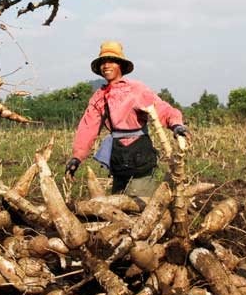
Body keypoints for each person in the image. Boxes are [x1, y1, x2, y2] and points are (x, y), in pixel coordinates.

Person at [65, 41, 188, 197]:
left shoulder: (136, 89)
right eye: (103, 62)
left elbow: (161, 108)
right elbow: (88, 127)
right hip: (118, 155)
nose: (106, 65)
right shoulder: (99, 96)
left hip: (139, 153)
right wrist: (77, 158)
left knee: (139, 207)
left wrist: (176, 124)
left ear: (120, 65)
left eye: (111, 61)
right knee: (118, 203)